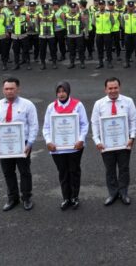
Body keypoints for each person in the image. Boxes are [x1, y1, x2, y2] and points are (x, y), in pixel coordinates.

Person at [0, 77, 38, 211]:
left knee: (25, 172)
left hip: (23, 144)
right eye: (6, 89)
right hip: (2, 145)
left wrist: (30, 143)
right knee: (8, 172)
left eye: (12, 88)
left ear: (18, 89)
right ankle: (12, 198)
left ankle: (26, 197)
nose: (9, 91)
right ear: (3, 90)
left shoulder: (28, 105)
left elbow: (33, 125)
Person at [90, 77, 136, 205]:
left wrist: (132, 137)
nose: (113, 90)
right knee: (110, 169)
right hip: (106, 144)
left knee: (124, 168)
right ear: (105, 89)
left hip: (124, 142)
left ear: (119, 88)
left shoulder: (128, 101)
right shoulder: (98, 104)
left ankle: (123, 193)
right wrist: (97, 141)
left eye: (115, 88)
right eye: (110, 88)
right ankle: (113, 193)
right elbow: (94, 123)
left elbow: (133, 121)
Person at [42, 81, 89, 210]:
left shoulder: (78, 105)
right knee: (63, 172)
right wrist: (48, 141)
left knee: (74, 171)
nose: (61, 94)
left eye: (64, 91)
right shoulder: (51, 107)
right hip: (57, 148)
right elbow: (46, 127)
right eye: (59, 92)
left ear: (68, 91)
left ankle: (75, 197)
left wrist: (81, 140)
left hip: (75, 147)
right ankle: (66, 198)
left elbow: (84, 124)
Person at [64, 2, 88, 69]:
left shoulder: (80, 15)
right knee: (71, 50)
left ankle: (82, 63)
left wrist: (80, 30)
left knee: (80, 50)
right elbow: (64, 24)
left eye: (74, 8)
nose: (73, 9)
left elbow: (84, 24)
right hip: (70, 36)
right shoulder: (66, 15)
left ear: (76, 8)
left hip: (78, 36)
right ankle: (72, 63)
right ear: (69, 8)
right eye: (72, 8)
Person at [9, 5, 32, 70]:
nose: (16, 11)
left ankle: (28, 64)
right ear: (14, 10)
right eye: (15, 10)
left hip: (23, 36)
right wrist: (10, 30)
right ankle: (16, 64)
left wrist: (26, 29)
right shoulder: (11, 16)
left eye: (17, 10)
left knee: (26, 50)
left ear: (20, 10)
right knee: (16, 51)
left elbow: (30, 24)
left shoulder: (24, 16)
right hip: (15, 37)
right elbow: (9, 25)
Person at [36, 4, 58, 70]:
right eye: (44, 9)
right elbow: (37, 23)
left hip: (51, 35)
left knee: (53, 50)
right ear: (42, 9)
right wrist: (39, 31)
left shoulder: (52, 15)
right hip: (42, 36)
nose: (45, 10)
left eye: (46, 9)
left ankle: (54, 63)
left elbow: (55, 22)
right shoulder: (39, 15)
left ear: (48, 9)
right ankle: (43, 63)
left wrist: (53, 30)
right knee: (42, 50)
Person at [122, 1, 136, 68]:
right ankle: (127, 62)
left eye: (132, 6)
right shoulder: (124, 14)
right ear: (127, 7)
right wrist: (126, 29)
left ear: (134, 7)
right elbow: (122, 24)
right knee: (127, 49)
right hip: (127, 34)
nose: (130, 8)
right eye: (129, 6)